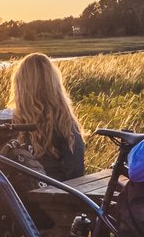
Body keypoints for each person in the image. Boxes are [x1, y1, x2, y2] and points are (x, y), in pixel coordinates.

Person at [7, 52, 85, 181]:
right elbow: (76, 171)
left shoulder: (6, 121)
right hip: (53, 194)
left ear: (19, 84)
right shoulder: (64, 121)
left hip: (13, 195)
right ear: (54, 84)